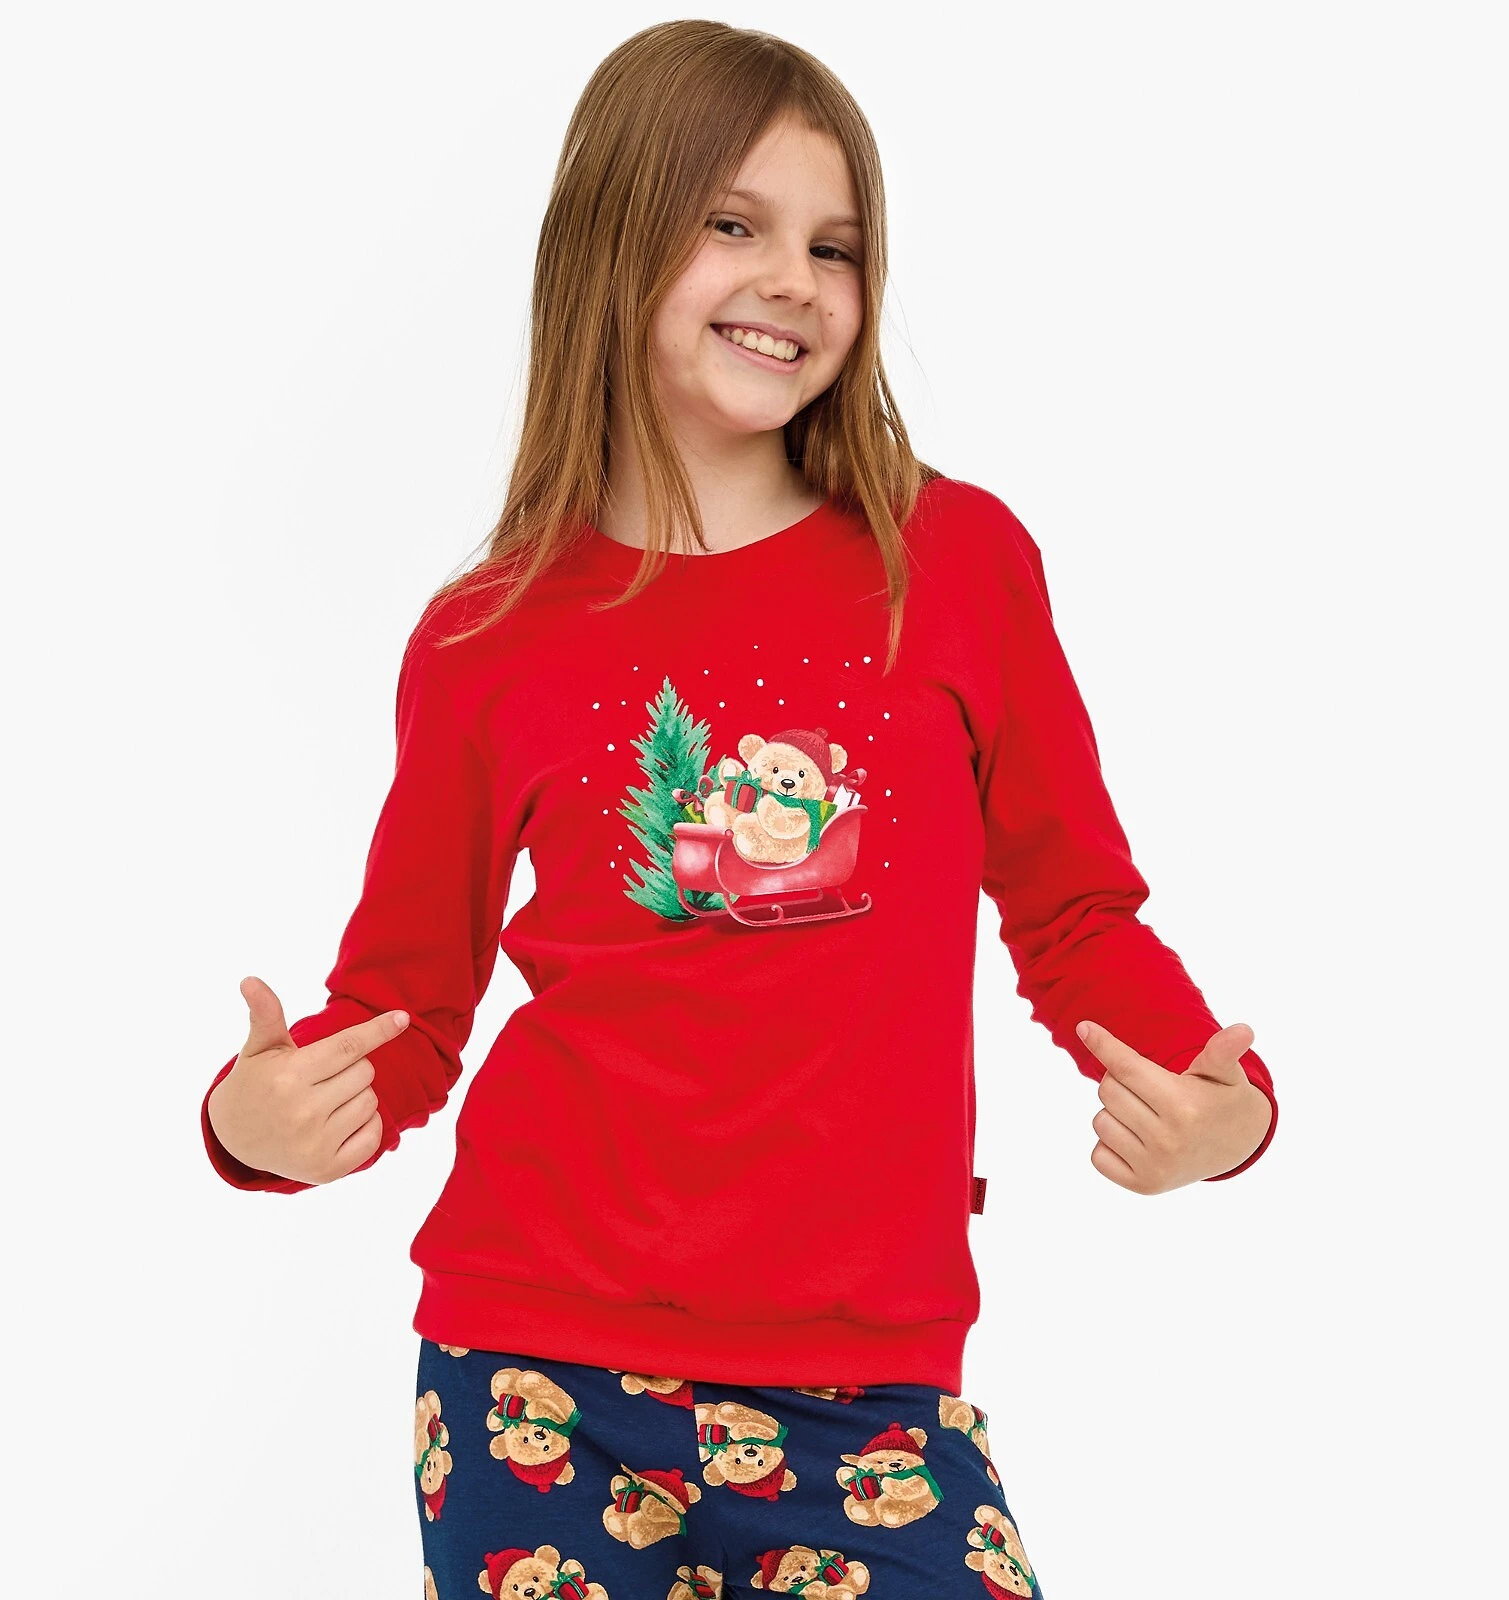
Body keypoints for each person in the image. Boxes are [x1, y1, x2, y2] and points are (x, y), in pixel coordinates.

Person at [200, 22, 1277, 1599]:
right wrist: (255, 1127)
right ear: (612, 239)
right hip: (530, 1379)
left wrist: (1224, 1110)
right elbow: (405, 1007)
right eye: (733, 223)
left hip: (872, 1391)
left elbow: (1073, 912)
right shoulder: (485, 637)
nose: (794, 280)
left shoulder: (956, 564)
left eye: (834, 246)